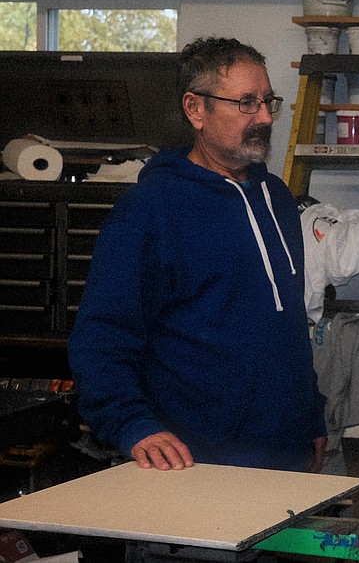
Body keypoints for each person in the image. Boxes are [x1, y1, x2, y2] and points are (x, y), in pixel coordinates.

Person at [69, 37, 326, 473]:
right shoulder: (150, 211)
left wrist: (311, 414)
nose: (264, 117)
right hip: (195, 466)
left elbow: (286, 326)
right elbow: (102, 338)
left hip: (286, 457)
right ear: (195, 110)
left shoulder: (276, 198)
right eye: (246, 103)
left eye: (268, 101)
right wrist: (134, 425)